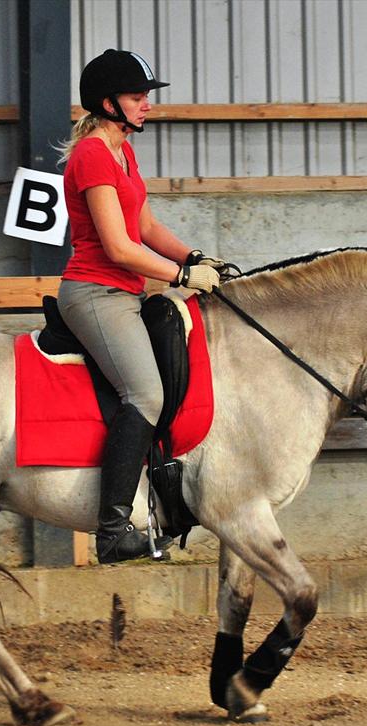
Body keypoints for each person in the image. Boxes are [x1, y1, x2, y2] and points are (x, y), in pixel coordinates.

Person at [55, 49, 225, 564]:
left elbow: (147, 229)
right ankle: (110, 531)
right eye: (137, 97)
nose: (147, 105)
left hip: (127, 292)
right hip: (95, 292)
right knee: (146, 395)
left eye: (146, 96)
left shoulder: (123, 153)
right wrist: (181, 276)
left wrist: (194, 255)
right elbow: (119, 247)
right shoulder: (91, 155)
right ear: (108, 103)